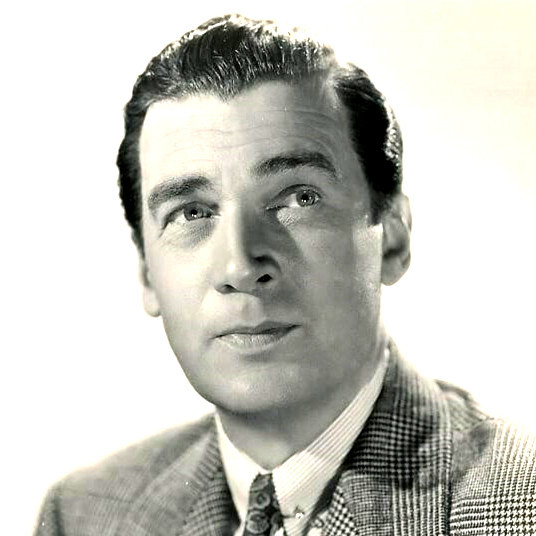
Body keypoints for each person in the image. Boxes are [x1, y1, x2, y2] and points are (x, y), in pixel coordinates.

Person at [35, 14, 536, 536]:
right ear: (146, 272)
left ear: (392, 236)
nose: (240, 266)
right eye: (191, 212)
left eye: (299, 198)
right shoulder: (83, 514)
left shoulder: (520, 507)